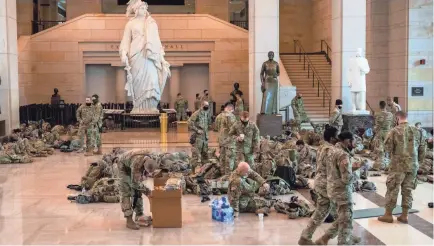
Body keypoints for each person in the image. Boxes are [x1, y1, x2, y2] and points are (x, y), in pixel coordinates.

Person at [119, 0, 170, 113]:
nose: (144, 10)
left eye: (144, 8)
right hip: (136, 55)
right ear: (136, 10)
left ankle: (151, 106)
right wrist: (123, 52)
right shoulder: (130, 24)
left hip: (150, 55)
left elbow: (157, 42)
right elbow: (125, 40)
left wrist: (161, 57)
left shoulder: (151, 23)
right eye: (141, 8)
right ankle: (138, 107)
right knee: (137, 81)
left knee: (152, 79)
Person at [378, 111, 426, 224]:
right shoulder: (417, 131)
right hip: (412, 165)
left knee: (392, 189)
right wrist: (417, 162)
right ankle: (405, 215)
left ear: (397, 118)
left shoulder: (394, 131)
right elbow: (423, 149)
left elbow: (387, 148)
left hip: (397, 166)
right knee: (408, 190)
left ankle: (388, 215)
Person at [321, 131, 365, 245]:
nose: (354, 143)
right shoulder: (343, 155)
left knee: (342, 217)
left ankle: (325, 238)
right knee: (346, 219)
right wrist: (357, 170)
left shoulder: (332, 150)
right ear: (347, 141)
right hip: (342, 191)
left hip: (331, 188)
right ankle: (343, 242)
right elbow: (346, 179)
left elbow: (336, 170)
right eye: (353, 141)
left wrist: (352, 167)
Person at [298, 126, 339, 245]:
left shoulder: (322, 147)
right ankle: (329, 238)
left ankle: (305, 237)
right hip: (328, 184)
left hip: (320, 182)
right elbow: (332, 169)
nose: (339, 138)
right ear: (332, 138)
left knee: (321, 211)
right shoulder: (331, 150)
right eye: (337, 136)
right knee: (344, 213)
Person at [117, 149, 158, 230]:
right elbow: (135, 184)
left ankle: (139, 214)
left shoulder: (154, 157)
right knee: (126, 192)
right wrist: (148, 192)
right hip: (123, 167)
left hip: (131, 161)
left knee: (137, 191)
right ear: (143, 166)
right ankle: (129, 220)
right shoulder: (137, 163)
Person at [188, 101, 211, 169]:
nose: (207, 107)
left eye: (208, 106)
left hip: (205, 137)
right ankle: (192, 170)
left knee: (205, 154)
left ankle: (204, 169)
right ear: (202, 105)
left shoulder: (206, 113)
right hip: (198, 137)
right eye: (206, 106)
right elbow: (189, 122)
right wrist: (197, 130)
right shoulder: (197, 113)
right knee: (196, 155)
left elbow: (208, 123)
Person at [371, 101, 393, 170]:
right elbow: (392, 124)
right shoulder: (390, 114)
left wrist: (374, 130)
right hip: (388, 133)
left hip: (380, 133)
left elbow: (376, 125)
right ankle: (387, 164)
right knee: (387, 149)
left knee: (380, 149)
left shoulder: (377, 114)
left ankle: (380, 164)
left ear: (380, 106)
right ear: (385, 106)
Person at [217, 103, 237, 174]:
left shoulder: (219, 116)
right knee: (229, 159)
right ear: (231, 109)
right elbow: (234, 129)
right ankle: (228, 176)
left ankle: (222, 174)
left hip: (221, 141)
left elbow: (217, 127)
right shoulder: (231, 116)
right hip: (229, 142)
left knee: (222, 158)